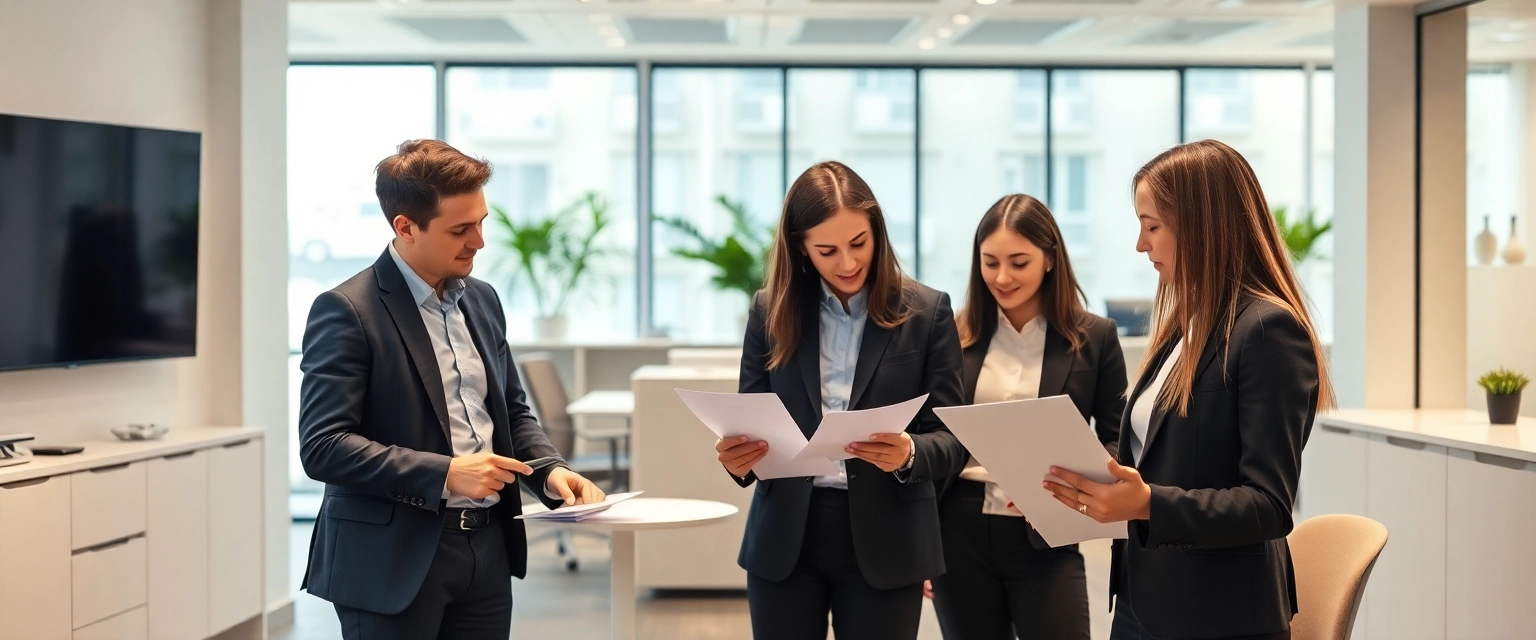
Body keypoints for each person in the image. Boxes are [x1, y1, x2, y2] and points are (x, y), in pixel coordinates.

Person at [297, 139, 606, 639]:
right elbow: (323, 446)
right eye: (461, 229)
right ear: (405, 227)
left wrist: (550, 472)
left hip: (486, 551)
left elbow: (511, 411)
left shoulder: (482, 300)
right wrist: (447, 473)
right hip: (390, 561)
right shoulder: (347, 311)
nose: (479, 241)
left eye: (481, 222)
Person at [1042, 140, 1332, 640]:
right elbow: (1154, 453)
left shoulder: (1267, 332)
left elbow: (1268, 503)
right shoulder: (1187, 322)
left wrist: (1148, 503)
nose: (1140, 244)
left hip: (1217, 614)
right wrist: (1066, 481)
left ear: (1202, 226)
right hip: (1145, 596)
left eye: (1151, 226)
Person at [713, 160, 967, 640]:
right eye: (827, 250)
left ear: (878, 234)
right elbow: (748, 425)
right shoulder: (770, 311)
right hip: (786, 536)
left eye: (859, 244)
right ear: (801, 248)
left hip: (888, 539)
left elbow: (953, 439)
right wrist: (736, 457)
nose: (848, 264)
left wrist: (910, 451)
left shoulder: (926, 313)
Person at [928, 194, 1127, 640]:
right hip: (958, 527)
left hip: (1045, 530)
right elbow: (929, 437)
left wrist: (1073, 494)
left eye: (1019, 262)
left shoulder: (1095, 337)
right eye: (990, 262)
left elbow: (1118, 443)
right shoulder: (950, 334)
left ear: (1050, 258)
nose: (1002, 277)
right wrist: (918, 545)